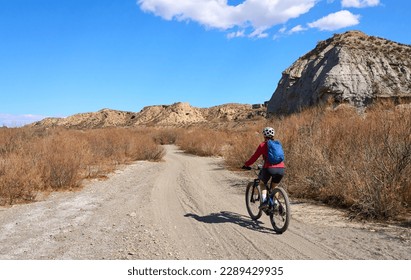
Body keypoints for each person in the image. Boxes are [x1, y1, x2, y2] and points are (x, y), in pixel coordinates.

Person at [242, 127, 285, 209]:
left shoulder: (262, 145)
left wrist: (246, 164)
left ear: (264, 135)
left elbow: (254, 157)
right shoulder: (278, 144)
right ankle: (275, 203)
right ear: (273, 135)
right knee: (274, 186)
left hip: (269, 168)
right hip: (281, 168)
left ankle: (265, 201)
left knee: (262, 183)